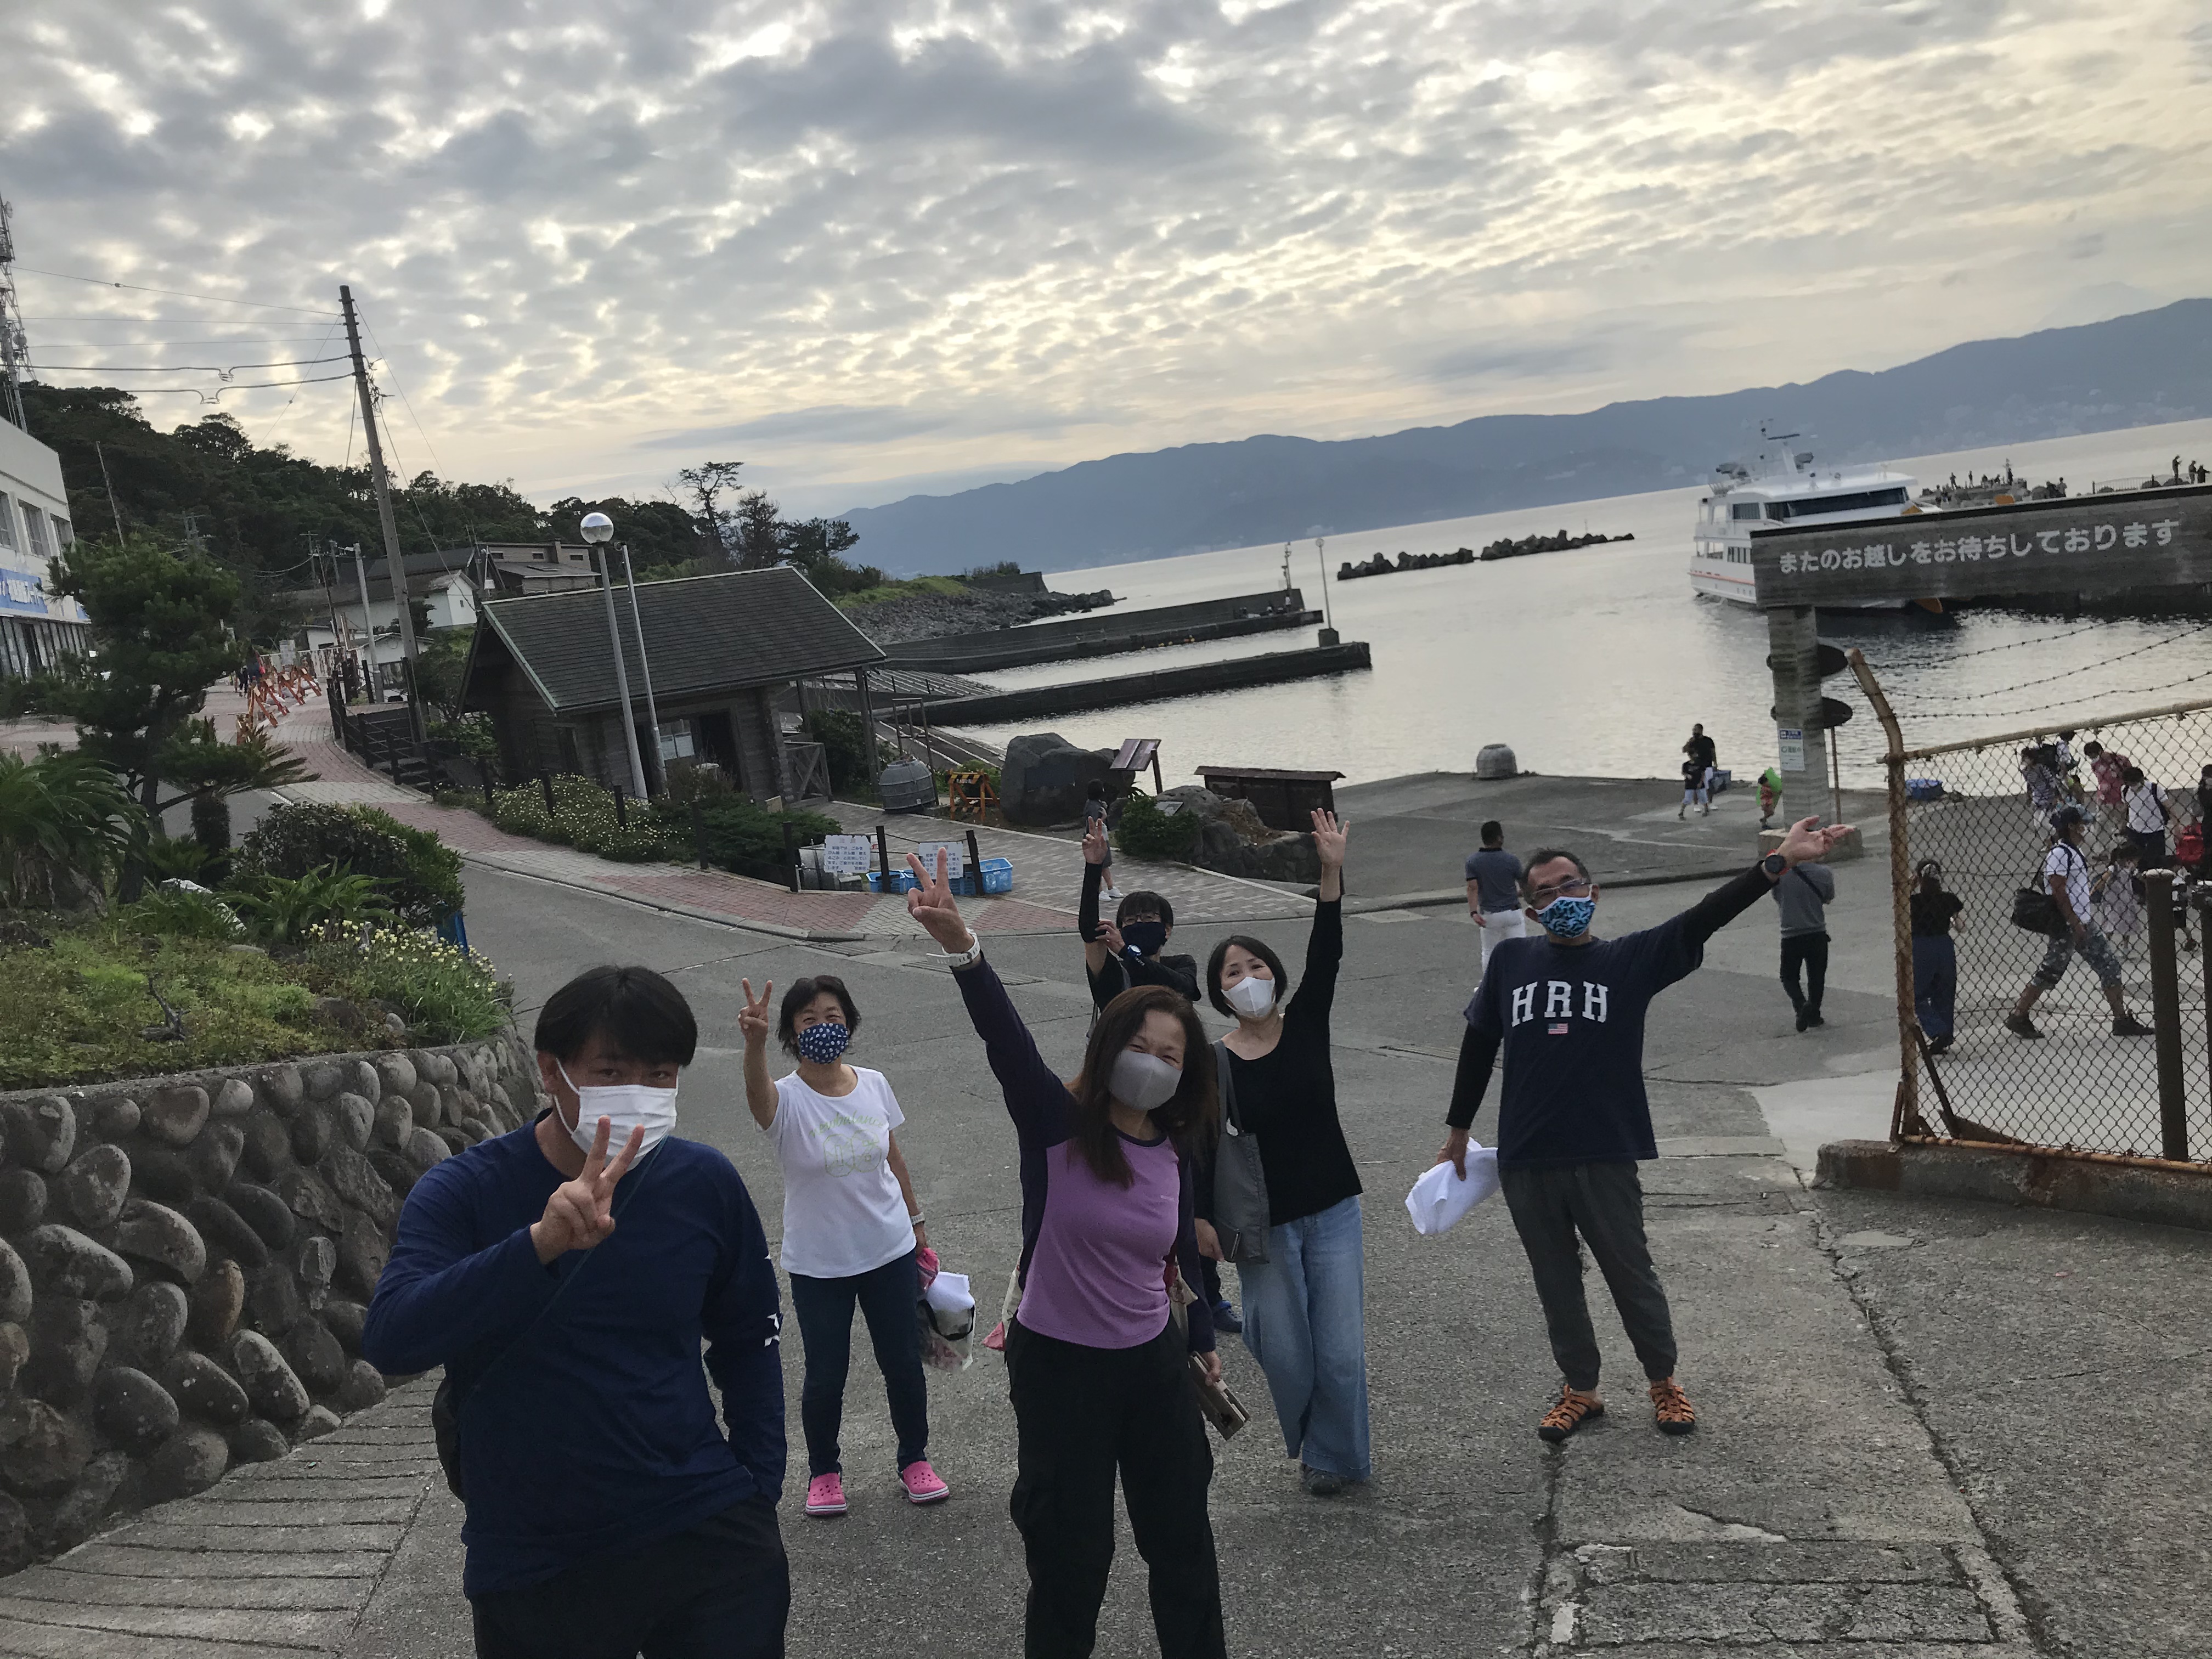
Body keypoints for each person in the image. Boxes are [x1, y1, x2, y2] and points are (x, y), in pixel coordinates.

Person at [362, 966, 788, 1659]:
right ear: (550, 1071)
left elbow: (750, 1334)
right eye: (612, 1071)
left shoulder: (703, 1182)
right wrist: (539, 1245)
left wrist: (758, 1486)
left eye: (660, 1075)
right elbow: (392, 1337)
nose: (640, 1093)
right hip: (537, 1556)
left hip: (706, 1529)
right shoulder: (463, 1192)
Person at [1436, 816, 1854, 1443]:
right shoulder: (1511, 961)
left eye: (1570, 885)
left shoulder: (1626, 960)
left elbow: (1702, 918)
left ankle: (1663, 1381)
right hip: (1528, 1154)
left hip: (1605, 1150)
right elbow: (1478, 1043)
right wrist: (1457, 1130)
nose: (1560, 898)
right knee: (1555, 1281)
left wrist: (1779, 862)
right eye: (1545, 893)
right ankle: (1581, 1389)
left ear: (1593, 891)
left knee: (1630, 1273)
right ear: (1530, 909)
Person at [902, 849, 1226, 1659]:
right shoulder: (1056, 1126)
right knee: (1071, 1560)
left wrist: (1202, 1342)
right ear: (1110, 1044)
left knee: (1183, 1549)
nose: (1154, 1063)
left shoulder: (1176, 1147)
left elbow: (1181, 1255)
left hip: (1153, 1365)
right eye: (1141, 1045)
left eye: (1171, 1055)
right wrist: (964, 948)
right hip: (1060, 1370)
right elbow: (1005, 1040)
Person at [1201, 810, 1367, 1497]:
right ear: (1219, 992)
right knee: (1287, 1352)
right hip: (1263, 1228)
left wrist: (1331, 872)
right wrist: (1198, 1220)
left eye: (1257, 966)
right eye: (1233, 972)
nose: (1248, 978)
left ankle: (1332, 1456)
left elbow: (1327, 953)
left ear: (1275, 976)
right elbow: (1197, 1148)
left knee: (1341, 1352)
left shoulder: (1306, 1026)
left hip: (1333, 1210)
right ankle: (1311, 1429)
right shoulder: (1212, 1062)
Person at [739, 974, 947, 1521]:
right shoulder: (786, 1099)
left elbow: (893, 1157)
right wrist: (754, 1045)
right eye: (809, 1019)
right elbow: (758, 1100)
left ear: (849, 1023)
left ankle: (915, 1460)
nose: (823, 1027)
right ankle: (824, 1473)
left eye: (833, 1017)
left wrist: (917, 1224)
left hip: (889, 1250)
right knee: (826, 1373)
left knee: (903, 1363)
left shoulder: (874, 1084)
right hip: (820, 1263)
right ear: (791, 1033)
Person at [1078, 823, 1238, 1334]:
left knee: (1191, 1196)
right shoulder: (1110, 973)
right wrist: (1093, 871)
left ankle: (1207, 1297)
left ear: (1167, 930)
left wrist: (1131, 952)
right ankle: (1135, 1290)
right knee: (1128, 1199)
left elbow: (1183, 991)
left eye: (1150, 919)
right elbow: (1086, 929)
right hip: (1119, 1099)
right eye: (1131, 919)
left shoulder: (1180, 966)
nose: (1141, 924)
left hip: (1176, 1094)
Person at [2006, 805, 2153, 1041]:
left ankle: (2121, 1019)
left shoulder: (2073, 852)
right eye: (2083, 824)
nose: (2086, 828)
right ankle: (2019, 1014)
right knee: (2050, 971)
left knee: (2109, 966)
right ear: (2072, 827)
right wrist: (2074, 922)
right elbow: (2058, 890)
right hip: (2069, 923)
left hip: (2082, 921)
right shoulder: (2060, 853)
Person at [1774, 850, 1836, 1031]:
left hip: (1791, 934)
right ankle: (1814, 1015)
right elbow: (1828, 898)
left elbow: (1778, 898)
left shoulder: (1781, 876)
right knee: (1817, 976)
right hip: (1817, 932)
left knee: (1788, 976)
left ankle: (1801, 1005)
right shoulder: (1824, 873)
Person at [1909, 859, 1963, 1053]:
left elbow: (1898, 898)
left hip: (1921, 946)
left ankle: (1937, 1029)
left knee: (1915, 994)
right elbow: (1961, 927)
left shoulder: (1913, 901)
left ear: (1918, 878)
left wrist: (1911, 885)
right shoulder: (1948, 899)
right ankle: (1945, 1035)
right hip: (1944, 945)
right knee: (1944, 992)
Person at [1464, 820, 1526, 969]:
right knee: (1520, 951)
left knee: (1489, 952)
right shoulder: (1511, 860)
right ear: (1499, 838)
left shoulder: (1473, 862)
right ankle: (1519, 980)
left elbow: (1473, 888)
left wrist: (1474, 912)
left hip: (1490, 914)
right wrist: (1516, 893)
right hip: (1513, 912)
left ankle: (1489, 981)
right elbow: (1526, 886)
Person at [2091, 845, 2143, 954]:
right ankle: (2106, 944)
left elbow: (2139, 877)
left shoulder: (2130, 867)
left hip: (2127, 898)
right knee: (2112, 921)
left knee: (2127, 923)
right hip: (2113, 899)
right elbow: (2103, 879)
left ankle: (2125, 947)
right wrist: (2093, 891)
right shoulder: (2113, 868)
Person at [2120, 765, 2169, 861]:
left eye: (2135, 783)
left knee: (2157, 859)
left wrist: (2176, 826)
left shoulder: (2154, 789)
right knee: (2136, 859)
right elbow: (2126, 807)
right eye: (2130, 784)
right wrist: (2123, 824)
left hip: (2155, 829)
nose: (2133, 787)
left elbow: (2169, 807)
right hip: (2134, 829)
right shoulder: (2125, 790)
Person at [1085, 780, 1122, 902]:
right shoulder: (1093, 807)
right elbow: (1094, 823)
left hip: (1102, 837)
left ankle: (1111, 887)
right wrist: (1104, 817)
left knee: (1105, 864)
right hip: (1096, 839)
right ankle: (1100, 890)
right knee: (1098, 864)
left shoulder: (1095, 803)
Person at [2084, 741, 2129, 828]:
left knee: (2121, 821)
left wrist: (2112, 763)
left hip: (2119, 796)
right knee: (2101, 822)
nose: (2092, 759)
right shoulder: (2095, 764)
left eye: (2093, 756)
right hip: (2104, 797)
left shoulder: (2119, 759)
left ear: (2100, 751)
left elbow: (2129, 774)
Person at [1757, 764, 1784, 830]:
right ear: (1764, 783)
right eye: (1767, 782)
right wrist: (1779, 792)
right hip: (1767, 802)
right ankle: (1763, 820)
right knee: (1771, 813)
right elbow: (1773, 794)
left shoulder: (1764, 787)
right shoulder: (1766, 788)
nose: (1769, 782)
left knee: (1768, 813)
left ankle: (1764, 824)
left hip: (1766, 801)